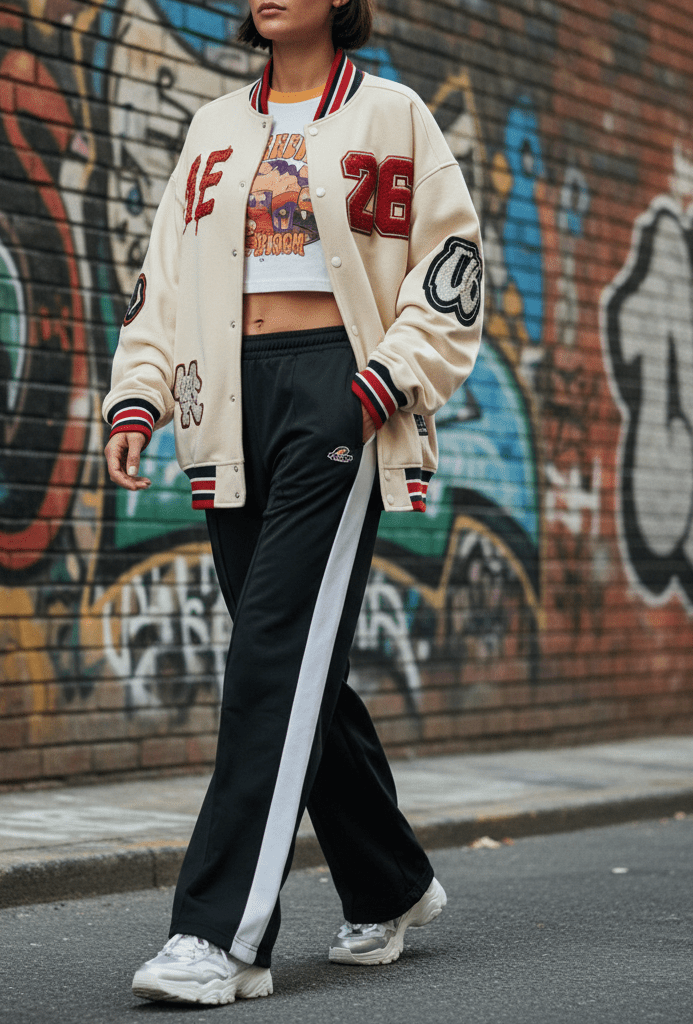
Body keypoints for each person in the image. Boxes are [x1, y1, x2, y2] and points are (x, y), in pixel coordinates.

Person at [103, 0, 483, 1005]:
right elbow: (164, 278)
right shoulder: (213, 128)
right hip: (226, 399)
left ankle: (218, 934)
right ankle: (391, 882)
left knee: (270, 649)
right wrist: (137, 395)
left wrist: (383, 381)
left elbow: (452, 269)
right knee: (293, 657)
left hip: (337, 395)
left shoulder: (393, 115)